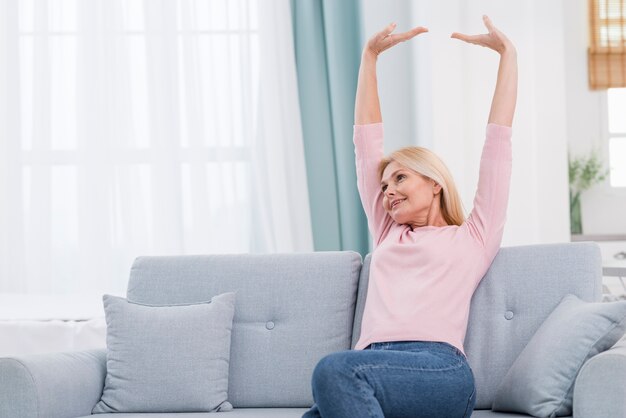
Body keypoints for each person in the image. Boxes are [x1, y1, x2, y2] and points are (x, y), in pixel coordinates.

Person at [302, 15, 517, 418]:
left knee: (334, 371)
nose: (388, 192)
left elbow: (498, 147)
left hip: (438, 370)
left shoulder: (473, 236)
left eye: (400, 177)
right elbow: (365, 142)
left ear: (435, 182)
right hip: (372, 366)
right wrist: (369, 57)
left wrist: (508, 56)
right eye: (383, 186)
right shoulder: (387, 233)